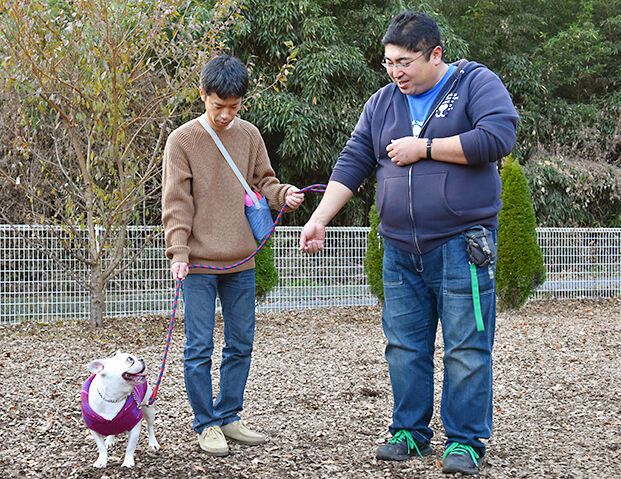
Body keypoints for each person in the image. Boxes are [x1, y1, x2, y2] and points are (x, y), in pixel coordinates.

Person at [300, 11, 518, 476]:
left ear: (435, 54)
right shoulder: (382, 103)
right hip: (399, 247)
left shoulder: (474, 83)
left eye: (405, 62)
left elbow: (498, 137)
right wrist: (319, 219)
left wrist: (426, 148)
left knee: (466, 347)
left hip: (463, 243)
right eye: (388, 62)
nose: (395, 72)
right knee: (403, 347)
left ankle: (465, 441)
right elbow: (354, 160)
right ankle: (409, 431)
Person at [162, 54, 304, 457]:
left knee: (241, 344)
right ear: (202, 94)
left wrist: (284, 194)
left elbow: (264, 181)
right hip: (198, 264)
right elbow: (176, 202)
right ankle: (205, 423)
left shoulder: (249, 135)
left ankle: (229, 416)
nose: (226, 114)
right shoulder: (182, 140)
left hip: (241, 261)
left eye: (234, 106)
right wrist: (178, 252)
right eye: (218, 105)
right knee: (198, 348)